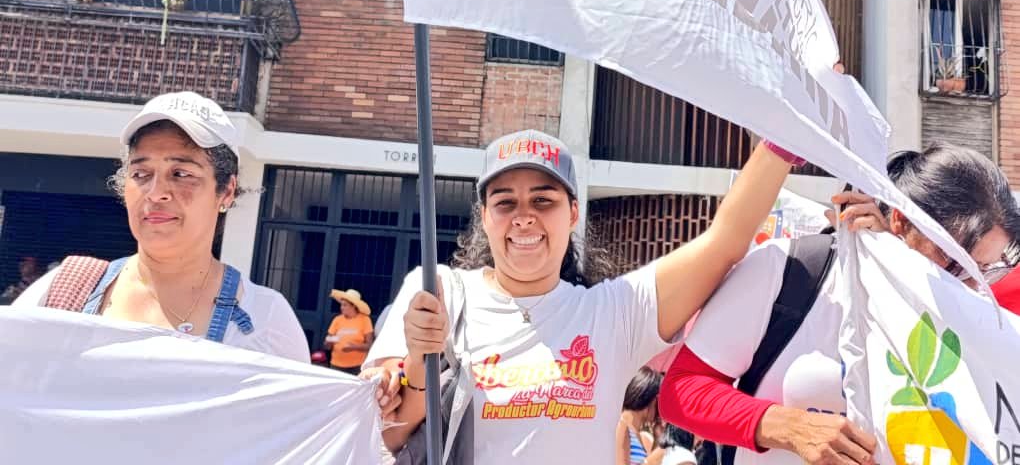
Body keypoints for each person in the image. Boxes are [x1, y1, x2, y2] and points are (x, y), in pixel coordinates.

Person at [364, 125, 814, 464]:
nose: (523, 218)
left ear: (573, 212)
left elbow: (725, 242)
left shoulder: (613, 312)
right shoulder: (438, 289)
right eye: (505, 202)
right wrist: (415, 361)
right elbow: (386, 436)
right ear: (484, 216)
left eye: (543, 201)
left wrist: (783, 138)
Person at [659, 144, 1020, 465]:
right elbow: (682, 391)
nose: (969, 285)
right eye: (956, 262)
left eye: (985, 269)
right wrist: (790, 428)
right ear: (901, 221)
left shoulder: (975, 322)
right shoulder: (792, 271)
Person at [13, 91, 309, 362]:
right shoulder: (62, 293)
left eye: (181, 173)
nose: (156, 192)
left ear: (227, 192)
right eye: (141, 173)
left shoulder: (264, 322)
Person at [618, 368, 662, 464]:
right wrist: (650, 461)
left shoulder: (637, 434)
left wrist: (658, 439)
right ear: (652, 400)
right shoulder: (622, 425)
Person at [325, 288, 374, 374]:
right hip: (336, 365)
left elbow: (369, 345)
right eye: (341, 305)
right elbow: (327, 343)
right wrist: (328, 342)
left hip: (357, 366)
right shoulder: (337, 320)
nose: (341, 308)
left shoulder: (365, 320)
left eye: (345, 305)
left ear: (353, 306)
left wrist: (353, 347)